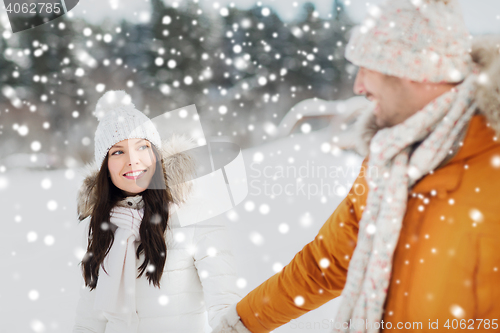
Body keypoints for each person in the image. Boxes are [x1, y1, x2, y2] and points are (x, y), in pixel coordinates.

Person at [212, 0, 500, 332]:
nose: (358, 86)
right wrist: (242, 322)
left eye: (368, 67)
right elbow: (328, 264)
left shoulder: (490, 178)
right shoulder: (388, 162)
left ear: (416, 71)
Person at [72, 90, 241, 332]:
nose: (132, 160)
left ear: (156, 154)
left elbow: (225, 307)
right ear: (105, 167)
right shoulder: (99, 225)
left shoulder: (196, 213)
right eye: (118, 152)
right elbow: (88, 322)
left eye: (142, 147)